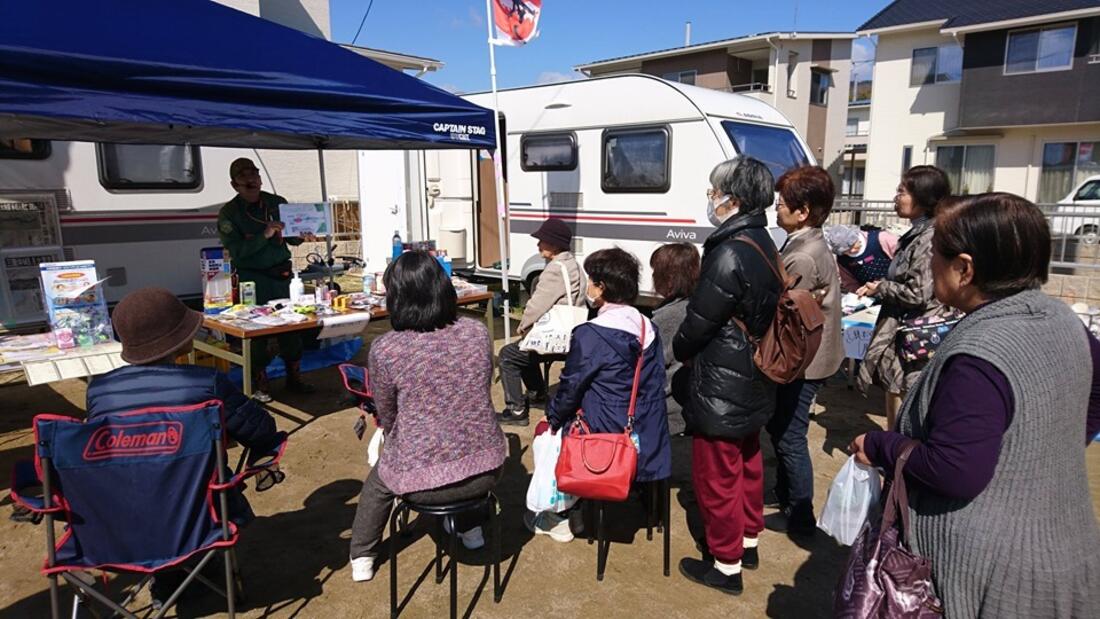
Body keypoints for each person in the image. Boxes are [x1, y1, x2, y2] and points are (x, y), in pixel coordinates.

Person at [849, 193, 1100, 618]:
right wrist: (1040, 455)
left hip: (998, 577)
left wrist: (879, 445)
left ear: (964, 268)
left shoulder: (979, 353)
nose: (929, 264)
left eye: (936, 254)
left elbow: (955, 469)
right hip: (1064, 548)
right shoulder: (1059, 318)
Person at [86, 286, 287, 607]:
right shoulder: (206, 383)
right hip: (199, 516)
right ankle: (201, 567)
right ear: (179, 339)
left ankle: (168, 578)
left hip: (119, 522)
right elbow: (261, 430)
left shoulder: (100, 392)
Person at [349, 251, 507, 583]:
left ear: (395, 297)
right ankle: (472, 531)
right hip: (487, 469)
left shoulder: (387, 349)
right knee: (459, 460)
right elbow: (480, 386)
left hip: (422, 483)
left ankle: (362, 555)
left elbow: (387, 414)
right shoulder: (476, 333)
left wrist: (393, 436)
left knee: (379, 482)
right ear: (443, 288)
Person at [673, 157, 782, 595]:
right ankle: (748, 541)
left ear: (732, 200)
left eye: (713, 193)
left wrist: (679, 349)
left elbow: (698, 321)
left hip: (723, 376)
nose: (711, 200)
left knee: (717, 473)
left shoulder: (729, 250)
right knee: (748, 459)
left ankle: (725, 565)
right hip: (754, 370)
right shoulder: (763, 240)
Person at [534, 248, 672, 542]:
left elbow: (571, 388)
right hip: (649, 431)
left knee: (551, 431)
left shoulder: (591, 334)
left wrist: (552, 418)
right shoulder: (649, 326)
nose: (588, 287)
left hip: (604, 437)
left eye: (591, 281)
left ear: (602, 287)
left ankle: (564, 516)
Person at [767, 166, 843, 536]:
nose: (777, 209)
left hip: (805, 361)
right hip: (816, 355)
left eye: (783, 204)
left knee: (789, 435)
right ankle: (786, 497)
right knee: (786, 429)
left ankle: (799, 516)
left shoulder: (803, 255)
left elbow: (782, 309)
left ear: (804, 211)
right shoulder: (805, 242)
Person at [856, 165, 950, 430]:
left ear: (923, 197)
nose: (896, 197)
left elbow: (918, 292)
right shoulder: (917, 234)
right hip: (905, 332)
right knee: (894, 394)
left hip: (916, 336)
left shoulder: (928, 237)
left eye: (902, 191)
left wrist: (882, 288)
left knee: (905, 403)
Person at [217, 157, 317, 403]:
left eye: (254, 174)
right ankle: (260, 384)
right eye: (244, 177)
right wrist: (264, 234)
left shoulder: (276, 202)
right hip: (253, 281)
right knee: (257, 332)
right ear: (234, 184)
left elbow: (292, 238)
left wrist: (302, 235)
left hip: (282, 276)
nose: (251, 180)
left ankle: (295, 378)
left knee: (293, 328)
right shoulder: (229, 213)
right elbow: (237, 252)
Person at [497, 218, 586, 426]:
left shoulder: (555, 269)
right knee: (526, 348)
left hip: (558, 339)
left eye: (542, 240)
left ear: (554, 244)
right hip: (573, 334)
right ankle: (536, 393)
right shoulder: (573, 264)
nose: (538, 244)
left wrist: (523, 326)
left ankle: (516, 409)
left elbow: (536, 306)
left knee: (508, 355)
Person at [649, 242, 701, 435]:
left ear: (670, 278)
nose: (653, 277)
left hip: (669, 410)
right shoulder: (696, 305)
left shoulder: (669, 316)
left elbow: (653, 364)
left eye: (656, 272)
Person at [823, 224, 899, 293]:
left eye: (852, 245)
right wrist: (858, 292)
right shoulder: (843, 259)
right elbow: (850, 282)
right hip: (869, 293)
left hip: (894, 288)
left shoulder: (881, 239)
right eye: (846, 250)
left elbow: (903, 261)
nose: (852, 251)